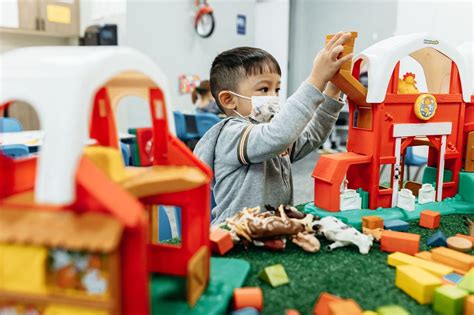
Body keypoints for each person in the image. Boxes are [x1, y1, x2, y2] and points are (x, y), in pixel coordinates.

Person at [194, 32, 353, 224]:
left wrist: (332, 91)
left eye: (276, 89)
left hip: (271, 229)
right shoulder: (231, 134)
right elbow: (279, 135)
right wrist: (316, 80)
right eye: (264, 89)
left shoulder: (268, 131)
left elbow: (311, 136)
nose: (273, 96)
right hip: (234, 234)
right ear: (229, 100)